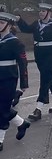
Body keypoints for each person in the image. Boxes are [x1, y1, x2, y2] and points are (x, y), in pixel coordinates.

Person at [16, 3, 52, 121]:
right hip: (39, 54)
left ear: (49, 12)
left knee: (45, 79)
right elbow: (26, 29)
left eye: (43, 11)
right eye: (40, 11)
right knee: (49, 79)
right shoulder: (37, 24)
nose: (40, 13)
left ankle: (38, 108)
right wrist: (19, 19)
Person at [0, 12, 30, 151]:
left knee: (2, 109)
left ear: (9, 25)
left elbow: (23, 62)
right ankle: (22, 123)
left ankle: (0, 140)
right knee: (3, 108)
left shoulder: (15, 42)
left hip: (8, 79)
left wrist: (24, 83)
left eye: (1, 22)